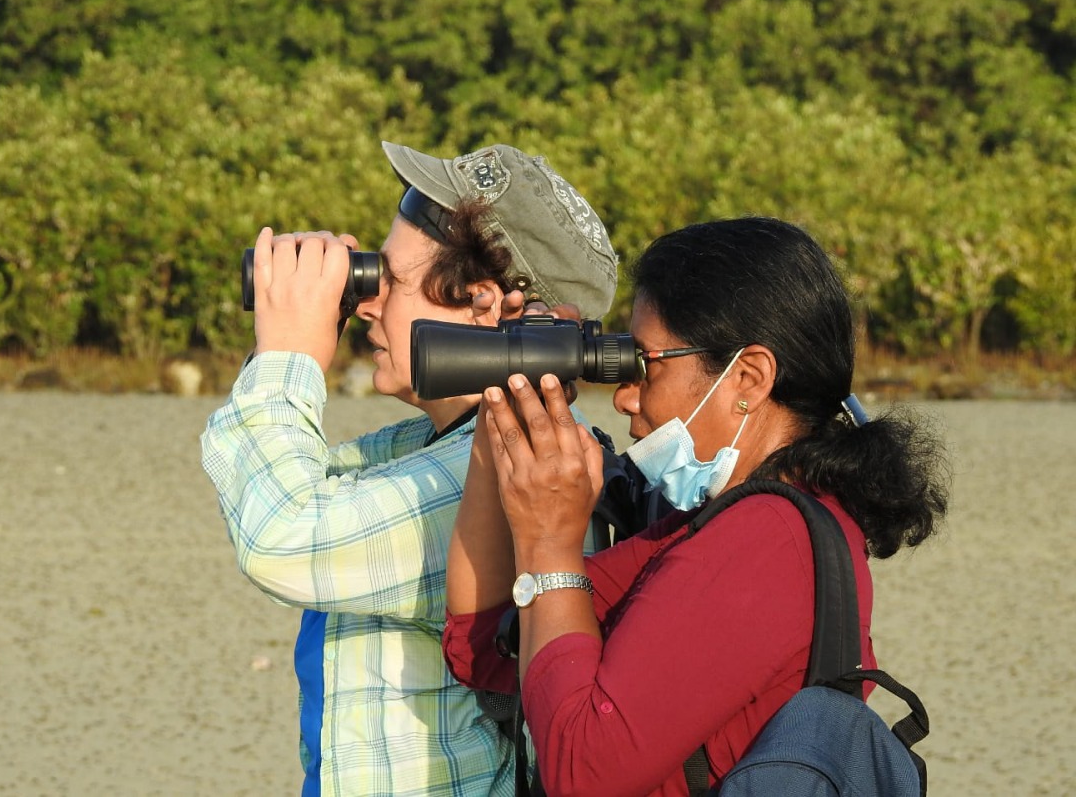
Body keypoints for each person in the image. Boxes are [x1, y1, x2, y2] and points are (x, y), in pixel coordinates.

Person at [443, 216, 950, 796]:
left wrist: (548, 543)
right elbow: (486, 645)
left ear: (748, 378)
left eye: (645, 364)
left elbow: (580, 774)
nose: (626, 396)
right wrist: (503, 402)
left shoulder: (765, 542)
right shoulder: (730, 522)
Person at [200, 141, 618, 797]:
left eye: (387, 280)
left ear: (484, 304)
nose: (367, 304)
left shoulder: (509, 471)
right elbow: (280, 479)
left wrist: (289, 353)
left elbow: (280, 536)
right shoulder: (432, 448)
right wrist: (290, 335)